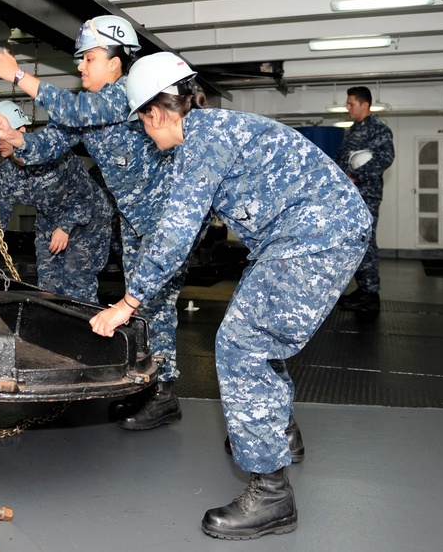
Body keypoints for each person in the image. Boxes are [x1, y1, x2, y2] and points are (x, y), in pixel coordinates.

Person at [89, 52, 370, 539]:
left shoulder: (202, 141)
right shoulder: (212, 131)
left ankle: (272, 494)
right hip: (316, 231)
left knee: (242, 342)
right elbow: (190, 226)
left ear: (156, 112)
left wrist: (127, 304)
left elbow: (176, 235)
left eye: (142, 124)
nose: (146, 136)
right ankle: (279, 433)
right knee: (261, 333)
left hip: (314, 237)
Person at [0, 15, 187, 431]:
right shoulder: (86, 108)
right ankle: (148, 383)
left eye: (89, 58)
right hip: (132, 217)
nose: (80, 66)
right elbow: (46, 145)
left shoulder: (127, 93)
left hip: (165, 214)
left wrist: (18, 74)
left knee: (157, 304)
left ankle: (164, 393)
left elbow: (76, 109)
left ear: (115, 63)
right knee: (141, 300)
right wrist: (14, 136)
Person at [0, 100, 113, 303]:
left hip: (90, 220)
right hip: (50, 222)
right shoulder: (6, 174)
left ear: (21, 130)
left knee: (77, 282)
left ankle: (82, 331)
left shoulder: (55, 156)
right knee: (48, 287)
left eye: (1, 137)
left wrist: (65, 227)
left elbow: (85, 198)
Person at [334, 86, 395, 312]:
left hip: (367, 195)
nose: (347, 108)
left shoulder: (379, 130)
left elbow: (385, 158)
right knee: (355, 241)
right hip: (350, 195)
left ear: (364, 105)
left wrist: (355, 176)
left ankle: (371, 294)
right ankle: (363, 288)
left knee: (366, 240)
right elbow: (341, 159)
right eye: (347, 104)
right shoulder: (352, 131)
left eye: (351, 104)